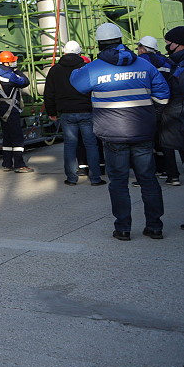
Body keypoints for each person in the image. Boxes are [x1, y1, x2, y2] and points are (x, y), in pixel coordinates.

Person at [70, 23, 170, 240]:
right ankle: (155, 227)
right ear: (121, 41)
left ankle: (123, 228)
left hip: (112, 133)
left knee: (118, 182)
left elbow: (76, 83)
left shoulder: (94, 68)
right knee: (148, 179)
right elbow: (163, 95)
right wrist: (150, 115)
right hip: (142, 131)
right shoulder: (145, 65)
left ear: (99, 43)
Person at [43, 40, 104, 186]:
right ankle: (95, 178)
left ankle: (71, 178)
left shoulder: (55, 70)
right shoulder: (86, 68)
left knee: (70, 145)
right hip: (86, 111)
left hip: (66, 113)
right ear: (80, 53)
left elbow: (49, 93)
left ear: (63, 53)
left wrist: (51, 112)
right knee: (91, 145)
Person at [137, 36, 180, 185]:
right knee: (168, 140)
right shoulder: (167, 62)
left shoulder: (140, 63)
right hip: (168, 104)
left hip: (148, 105)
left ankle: (154, 172)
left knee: (147, 142)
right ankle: (170, 174)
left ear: (142, 48)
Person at [0, 50, 33, 173]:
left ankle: (7, 163)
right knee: (17, 137)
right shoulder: (10, 76)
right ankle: (19, 164)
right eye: (13, 61)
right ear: (8, 63)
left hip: (2, 106)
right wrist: (18, 71)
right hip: (11, 108)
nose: (15, 62)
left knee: (7, 137)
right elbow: (25, 82)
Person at [159, 28, 184, 213]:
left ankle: (172, 175)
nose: (167, 46)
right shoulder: (176, 63)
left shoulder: (179, 66)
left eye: (169, 43)